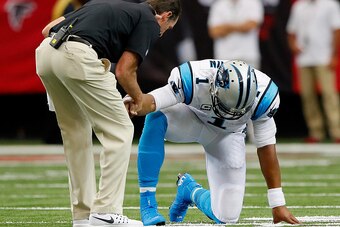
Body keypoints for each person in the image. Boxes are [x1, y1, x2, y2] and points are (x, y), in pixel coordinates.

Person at [35, 0, 181, 226]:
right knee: (121, 130)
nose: (162, 33)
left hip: (46, 54)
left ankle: (82, 216)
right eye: (167, 28)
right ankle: (106, 211)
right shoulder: (148, 20)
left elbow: (47, 29)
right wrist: (139, 99)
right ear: (164, 16)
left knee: (76, 135)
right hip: (77, 56)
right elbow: (124, 70)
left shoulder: (100, 5)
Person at [124, 59, 301, 225]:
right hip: (191, 119)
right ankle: (148, 203)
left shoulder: (265, 96)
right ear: (214, 88)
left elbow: (266, 148)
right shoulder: (194, 77)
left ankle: (189, 190)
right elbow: (154, 101)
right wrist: (135, 103)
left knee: (227, 215)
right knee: (156, 116)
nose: (231, 113)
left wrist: (277, 202)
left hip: (228, 134)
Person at [207, 0, 264, 143]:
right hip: (224, 58)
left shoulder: (253, 3)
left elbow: (251, 25)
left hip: (248, 56)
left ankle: (255, 135)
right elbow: (214, 31)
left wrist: (227, 26)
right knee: (222, 98)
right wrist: (239, 25)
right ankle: (224, 134)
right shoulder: (219, 5)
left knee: (254, 97)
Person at [286, 0, 340, 143]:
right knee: (307, 96)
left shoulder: (330, 5)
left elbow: (337, 30)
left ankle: (337, 131)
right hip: (304, 58)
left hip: (324, 57)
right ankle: (316, 132)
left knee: (329, 94)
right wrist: (293, 46)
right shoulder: (298, 6)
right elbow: (291, 31)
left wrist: (334, 55)